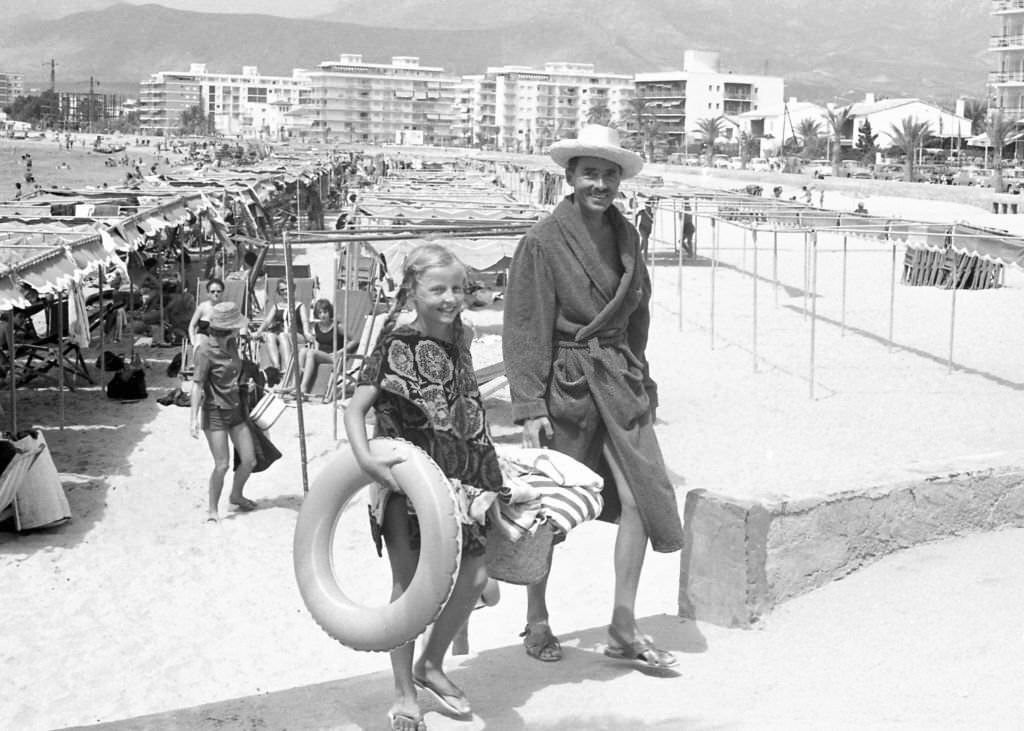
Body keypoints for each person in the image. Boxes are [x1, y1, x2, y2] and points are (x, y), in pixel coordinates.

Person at [503, 124, 683, 670]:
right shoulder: (542, 241)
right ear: (571, 177)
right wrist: (530, 405)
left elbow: (637, 316)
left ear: (619, 181)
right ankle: (536, 619)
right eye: (590, 173)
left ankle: (623, 625)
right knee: (549, 514)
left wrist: (643, 379)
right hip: (568, 386)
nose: (600, 183)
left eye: (609, 174)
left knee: (639, 501)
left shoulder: (628, 237)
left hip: (619, 381)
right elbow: (525, 326)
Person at [343, 243, 502, 731]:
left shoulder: (463, 335)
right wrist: (368, 463)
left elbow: (466, 407)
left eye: (457, 287)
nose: (450, 297)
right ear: (413, 290)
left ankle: (431, 665)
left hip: (462, 479)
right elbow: (355, 408)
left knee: (475, 578)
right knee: (409, 589)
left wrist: (490, 475)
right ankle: (404, 693)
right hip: (406, 485)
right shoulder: (395, 342)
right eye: (438, 289)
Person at [189, 301, 258, 522]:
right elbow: (197, 385)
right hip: (215, 411)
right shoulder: (205, 351)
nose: (239, 329)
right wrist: (193, 419)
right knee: (222, 464)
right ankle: (212, 509)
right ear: (228, 327)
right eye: (237, 326)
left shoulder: (232, 344)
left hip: (236, 408)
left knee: (249, 460)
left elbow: (233, 372)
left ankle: (236, 495)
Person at [253, 279, 310, 382]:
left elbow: (305, 322)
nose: (285, 292)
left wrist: (307, 333)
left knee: (283, 335)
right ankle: (277, 368)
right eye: (282, 290)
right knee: (270, 336)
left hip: (298, 335)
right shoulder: (277, 306)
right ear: (279, 292)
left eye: (287, 289)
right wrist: (258, 331)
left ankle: (288, 370)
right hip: (280, 335)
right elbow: (266, 322)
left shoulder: (299, 305)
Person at [296, 298, 351, 399]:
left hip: (334, 358)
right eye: (320, 313)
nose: (323, 315)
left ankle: (303, 388)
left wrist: (340, 352)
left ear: (330, 312)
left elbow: (354, 341)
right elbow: (317, 342)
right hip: (320, 356)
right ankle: (296, 383)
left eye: (325, 312)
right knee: (303, 351)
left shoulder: (337, 326)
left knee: (311, 353)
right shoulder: (317, 326)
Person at [188, 277, 225, 349]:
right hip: (202, 343)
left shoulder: (226, 308)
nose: (216, 294)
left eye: (218, 291)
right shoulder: (202, 307)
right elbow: (191, 326)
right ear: (208, 294)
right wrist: (193, 341)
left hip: (220, 344)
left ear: (222, 293)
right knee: (200, 339)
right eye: (212, 291)